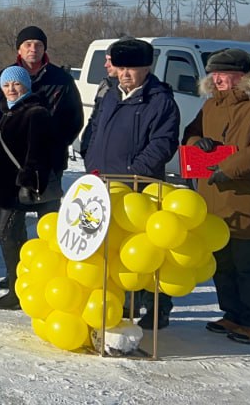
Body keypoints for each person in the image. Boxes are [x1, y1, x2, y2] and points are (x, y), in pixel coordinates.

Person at [82, 37, 180, 327]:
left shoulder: (160, 100)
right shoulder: (111, 94)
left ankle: (157, 306)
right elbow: (95, 130)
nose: (125, 74)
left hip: (140, 187)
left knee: (147, 253)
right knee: (117, 251)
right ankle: (126, 302)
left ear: (146, 68)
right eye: (121, 67)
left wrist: (133, 171)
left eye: (132, 69)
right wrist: (90, 162)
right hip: (105, 184)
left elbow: (163, 144)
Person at [183, 48, 250, 345]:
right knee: (223, 262)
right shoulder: (210, 106)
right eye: (213, 73)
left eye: (223, 73)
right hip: (213, 198)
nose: (217, 79)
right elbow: (190, 134)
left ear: (243, 76)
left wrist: (228, 168)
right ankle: (232, 314)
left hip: (249, 200)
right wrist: (199, 142)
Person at [0, 66, 63, 306]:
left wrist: (28, 176)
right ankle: (18, 281)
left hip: (27, 187)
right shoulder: (5, 111)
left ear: (26, 86)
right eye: (6, 85)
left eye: (16, 85)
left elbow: (40, 150)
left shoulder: (35, 112)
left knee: (15, 233)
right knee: (13, 234)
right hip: (6, 186)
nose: (11, 89)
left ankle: (22, 289)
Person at [1, 26, 84, 165]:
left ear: (44, 49)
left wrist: (55, 145)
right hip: (10, 159)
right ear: (19, 49)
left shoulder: (62, 80)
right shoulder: (4, 78)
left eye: (39, 45)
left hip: (50, 161)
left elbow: (74, 120)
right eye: (28, 44)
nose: (33, 49)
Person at [78, 47, 120, 159]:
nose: (106, 65)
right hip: (97, 160)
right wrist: (86, 147)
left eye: (110, 60)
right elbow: (94, 119)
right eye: (106, 60)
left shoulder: (142, 93)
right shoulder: (105, 85)